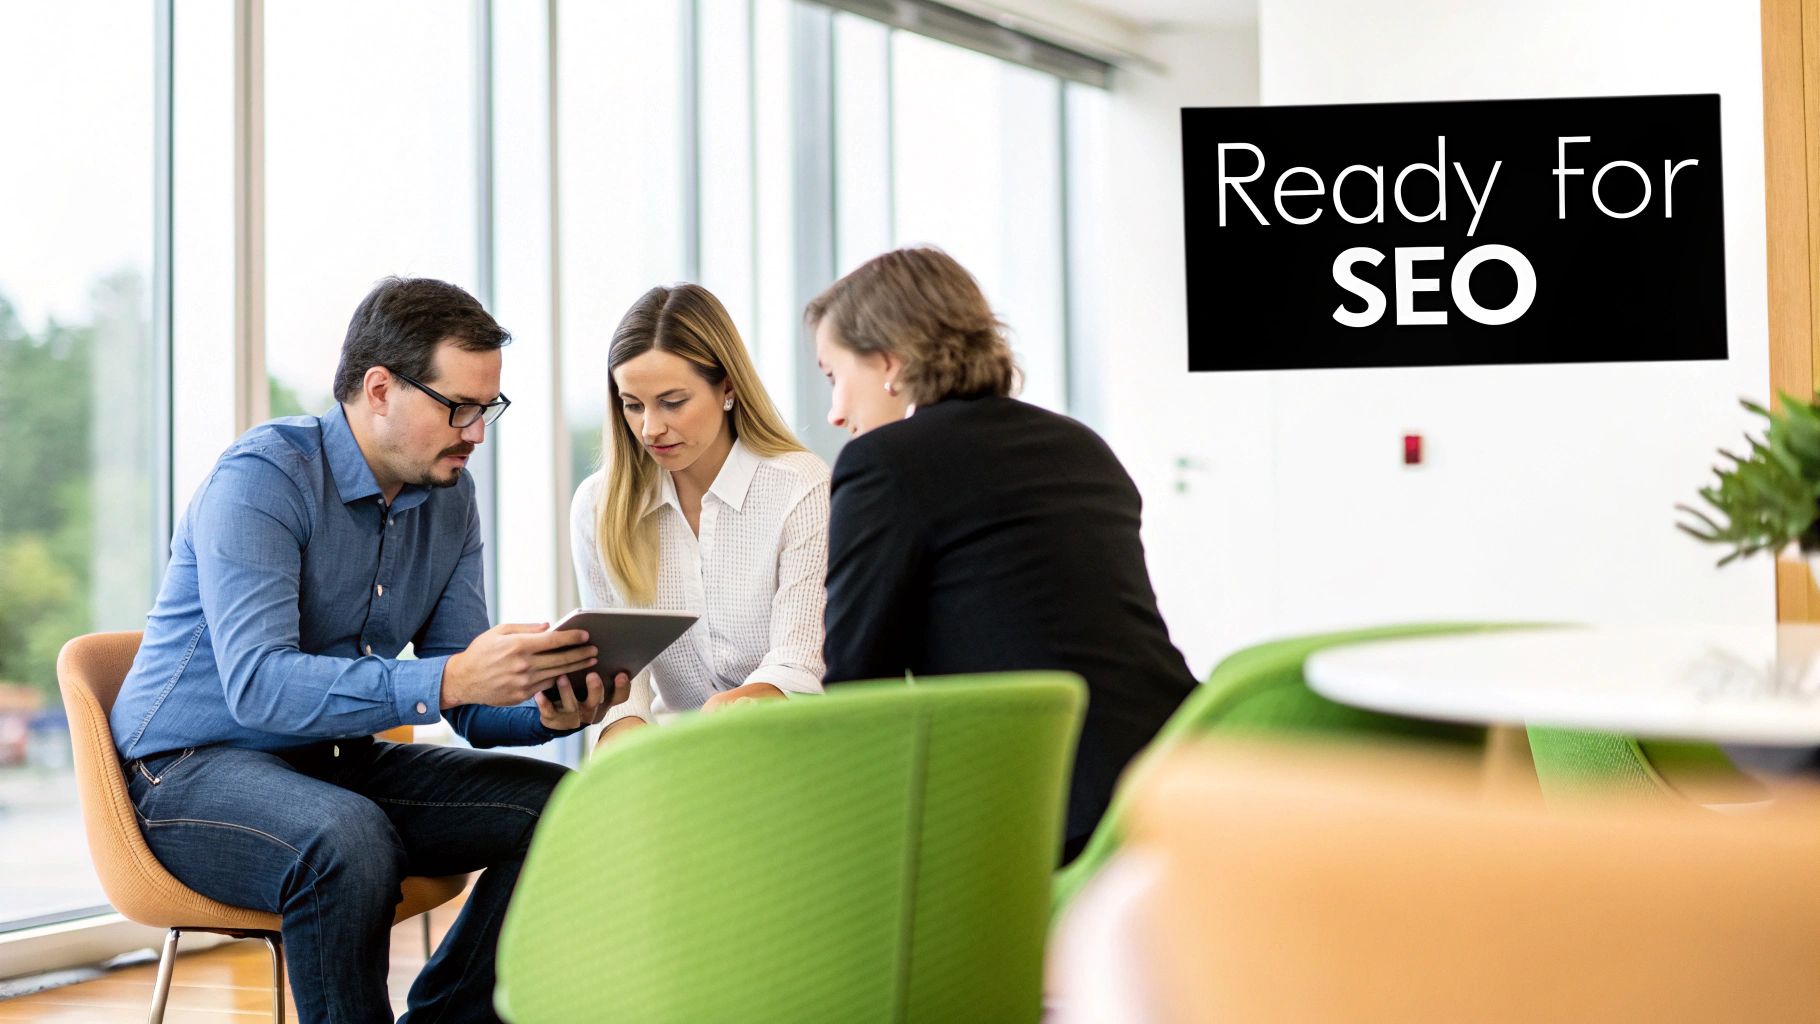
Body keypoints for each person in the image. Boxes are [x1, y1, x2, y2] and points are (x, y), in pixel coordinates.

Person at [111, 277, 625, 1024]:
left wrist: (550, 705)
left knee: (567, 807)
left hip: (331, 762)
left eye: (489, 409)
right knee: (346, 839)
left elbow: (468, 703)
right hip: (184, 773)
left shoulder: (452, 500)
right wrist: (450, 678)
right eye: (460, 407)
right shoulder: (263, 479)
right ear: (379, 388)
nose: (477, 432)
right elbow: (259, 686)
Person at [809, 247, 1196, 862]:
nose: (834, 413)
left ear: (887, 361)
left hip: (1044, 814)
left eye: (834, 377)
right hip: (1176, 777)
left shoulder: (884, 463)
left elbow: (858, 689)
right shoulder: (1080, 445)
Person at [571, 284, 829, 748]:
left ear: (727, 386)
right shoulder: (599, 506)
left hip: (791, 751)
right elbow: (624, 690)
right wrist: (624, 737)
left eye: (673, 402)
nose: (651, 428)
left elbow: (799, 662)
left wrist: (733, 712)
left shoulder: (800, 487)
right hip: (676, 762)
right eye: (633, 405)